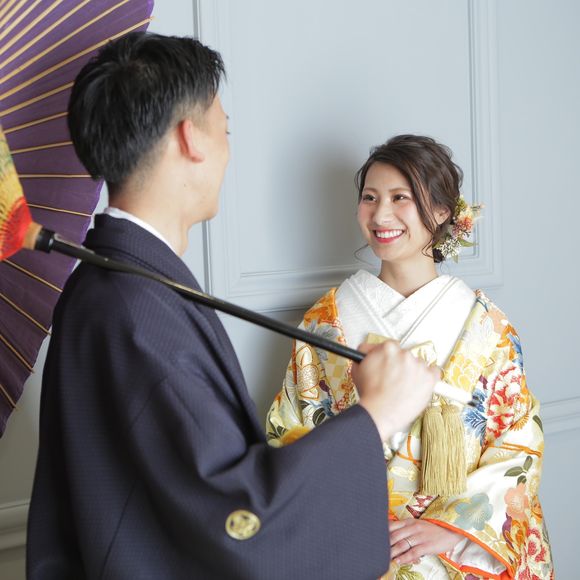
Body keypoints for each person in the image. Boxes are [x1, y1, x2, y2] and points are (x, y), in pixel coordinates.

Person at [26, 34, 439, 580]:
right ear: (190, 137)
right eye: (225, 128)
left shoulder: (118, 287)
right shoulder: (135, 313)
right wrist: (376, 416)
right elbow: (237, 520)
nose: (227, 147)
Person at [267, 135, 554, 579]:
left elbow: (519, 440)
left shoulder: (487, 327)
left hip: (455, 551)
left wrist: (452, 527)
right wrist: (356, 517)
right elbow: (291, 431)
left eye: (400, 198)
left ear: (441, 212)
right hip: (360, 539)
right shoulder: (326, 321)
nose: (381, 214)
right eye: (370, 198)